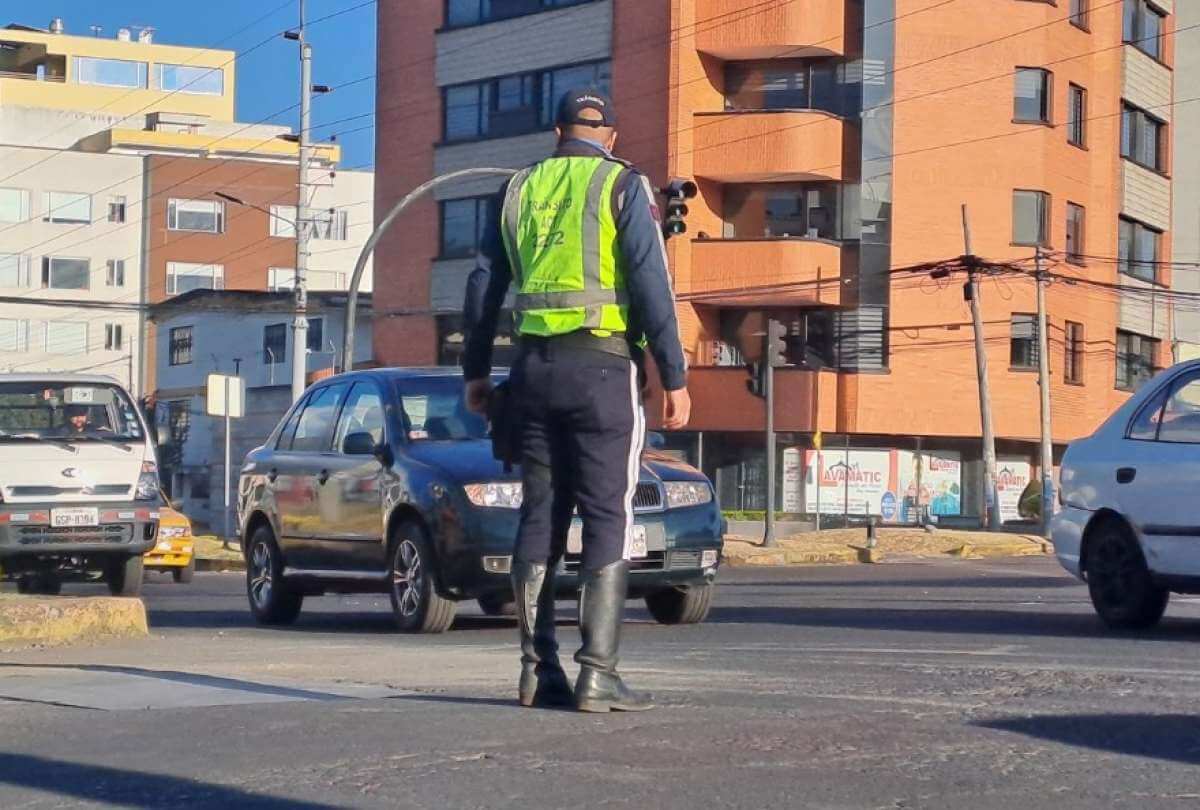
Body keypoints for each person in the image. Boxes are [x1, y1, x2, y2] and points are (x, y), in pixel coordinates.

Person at [463, 87, 690, 713]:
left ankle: (539, 671)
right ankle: (598, 673)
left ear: (557, 132)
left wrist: (475, 370)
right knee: (608, 512)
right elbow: (651, 280)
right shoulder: (622, 185)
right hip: (602, 372)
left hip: (530, 371)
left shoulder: (517, 189)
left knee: (540, 515)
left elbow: (484, 284)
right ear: (609, 135)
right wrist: (672, 373)